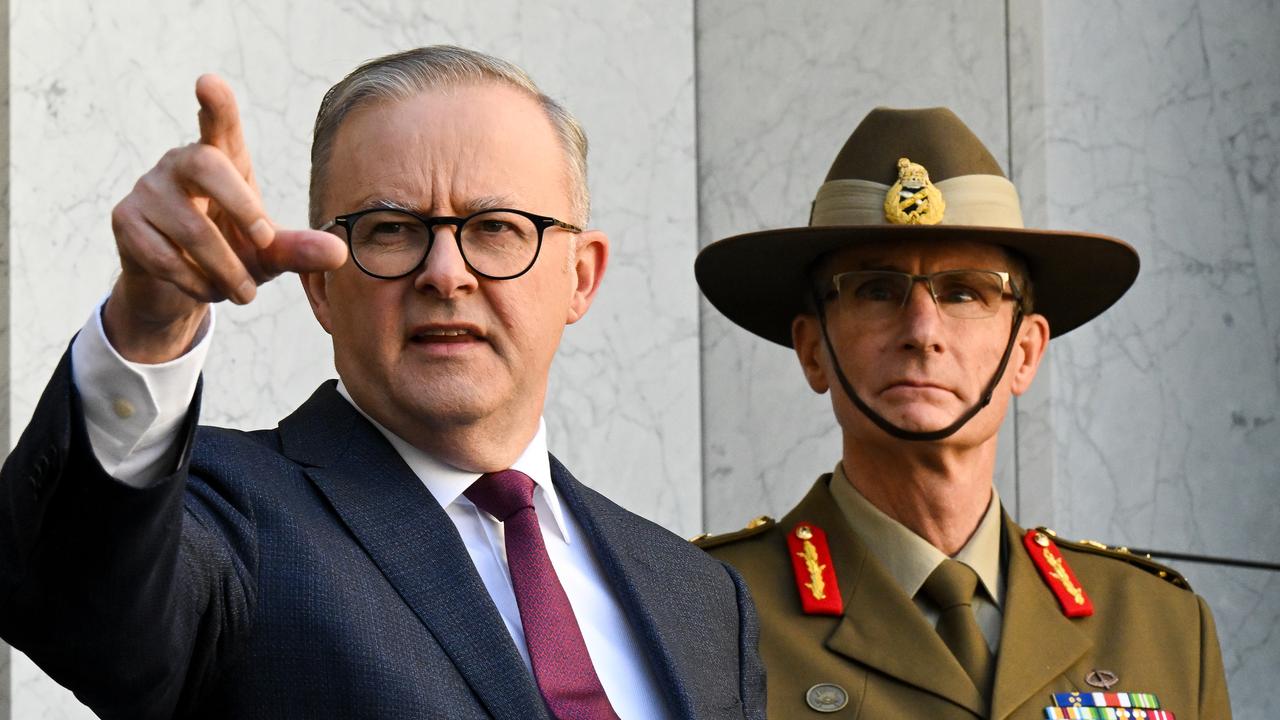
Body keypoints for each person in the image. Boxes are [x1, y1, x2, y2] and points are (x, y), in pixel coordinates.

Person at [0, 46, 764, 719]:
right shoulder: (229, 518)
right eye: (391, 229)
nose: (445, 274)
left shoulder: (702, 599)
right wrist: (148, 326)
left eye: (496, 226)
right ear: (319, 287)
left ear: (581, 277)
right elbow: (81, 599)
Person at [693, 107, 1230, 719]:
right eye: (875, 290)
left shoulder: (1158, 625)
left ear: (1025, 352)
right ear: (813, 351)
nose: (923, 332)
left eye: (966, 291)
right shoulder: (706, 612)